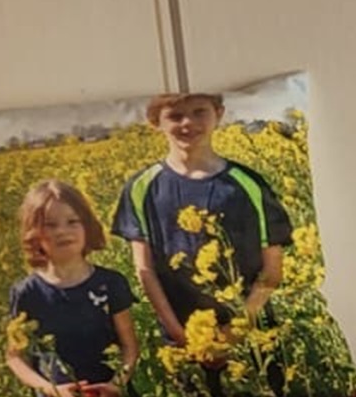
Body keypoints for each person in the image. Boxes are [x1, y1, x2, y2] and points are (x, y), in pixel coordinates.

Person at [112, 92, 292, 349]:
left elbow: (272, 270)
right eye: (175, 116)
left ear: (218, 114)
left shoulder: (248, 183)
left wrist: (236, 330)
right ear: (155, 123)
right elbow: (145, 270)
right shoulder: (141, 187)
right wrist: (177, 332)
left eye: (199, 112)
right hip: (181, 338)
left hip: (253, 334)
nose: (188, 123)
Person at [5, 181, 136, 397]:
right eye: (50, 225)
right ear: (34, 234)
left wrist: (116, 385)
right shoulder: (26, 293)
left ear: (87, 226)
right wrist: (51, 390)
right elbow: (15, 358)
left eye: (72, 221)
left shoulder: (111, 283)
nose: (62, 231)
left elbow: (130, 347)